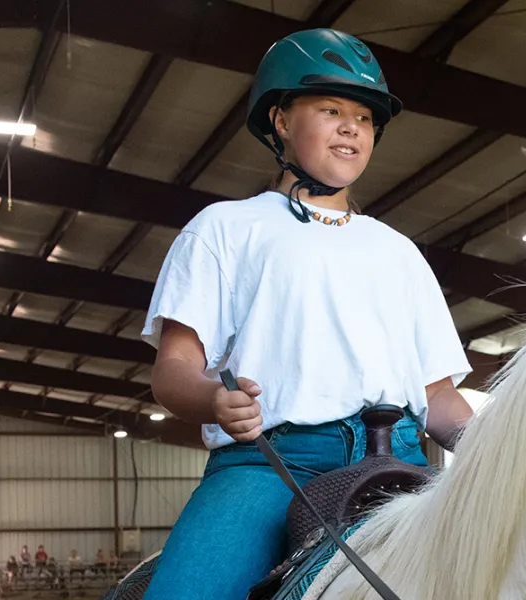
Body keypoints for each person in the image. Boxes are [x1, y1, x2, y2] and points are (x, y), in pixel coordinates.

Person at [136, 28, 473, 600]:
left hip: (402, 458)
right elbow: (173, 369)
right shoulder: (224, 229)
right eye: (331, 109)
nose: (351, 127)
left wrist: (503, 449)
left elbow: (436, 395)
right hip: (272, 462)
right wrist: (215, 400)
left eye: (365, 118)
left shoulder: (399, 251)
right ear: (281, 122)